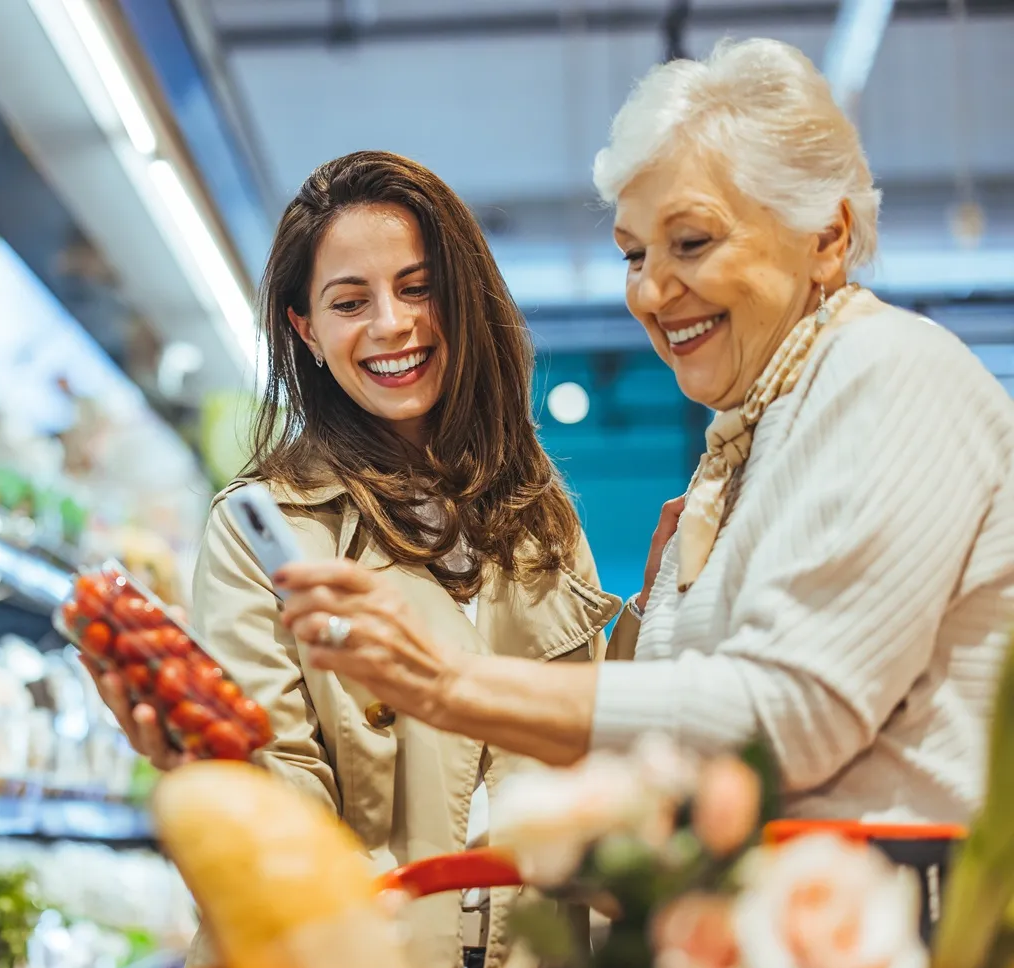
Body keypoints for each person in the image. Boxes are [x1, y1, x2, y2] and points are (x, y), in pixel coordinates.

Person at [275, 39, 1014, 826]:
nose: (653, 291)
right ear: (305, 330)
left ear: (826, 237)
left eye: (691, 242)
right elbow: (667, 750)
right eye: (633, 253)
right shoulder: (748, 444)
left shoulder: (886, 372)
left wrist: (448, 684)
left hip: (891, 935)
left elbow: (790, 715)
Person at [93, 149, 621, 968]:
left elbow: (585, 762)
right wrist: (207, 763)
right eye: (350, 301)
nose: (392, 325)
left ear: (465, 296)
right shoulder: (265, 530)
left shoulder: (543, 521)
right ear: (304, 327)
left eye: (419, 288)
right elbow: (281, 795)